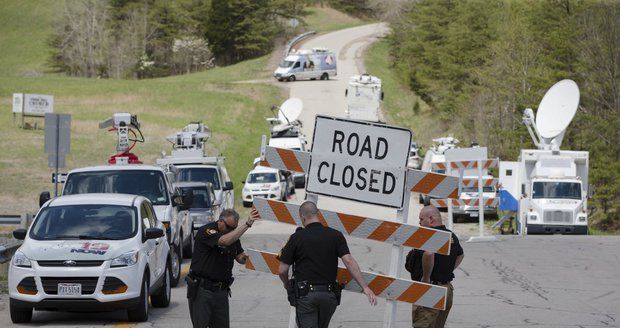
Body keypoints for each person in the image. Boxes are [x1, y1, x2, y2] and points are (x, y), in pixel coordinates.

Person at [276, 201, 377, 328]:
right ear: (318, 214)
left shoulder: (296, 237)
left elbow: (282, 270)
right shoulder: (335, 235)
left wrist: (286, 284)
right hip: (329, 297)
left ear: (302, 217)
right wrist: (365, 287)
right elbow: (349, 261)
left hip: (306, 297)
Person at [187, 208, 260, 328]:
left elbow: (239, 257)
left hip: (221, 291)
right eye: (229, 227)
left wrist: (248, 258)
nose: (231, 231)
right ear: (220, 221)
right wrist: (247, 224)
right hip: (203, 290)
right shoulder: (207, 230)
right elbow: (224, 241)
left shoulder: (231, 235)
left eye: (234, 228)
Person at [405, 205, 464, 328]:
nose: (419, 222)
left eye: (421, 219)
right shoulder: (451, 235)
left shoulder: (429, 236)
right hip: (446, 289)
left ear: (431, 219)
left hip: (430, 289)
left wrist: (426, 279)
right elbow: (461, 255)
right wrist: (447, 270)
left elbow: (429, 254)